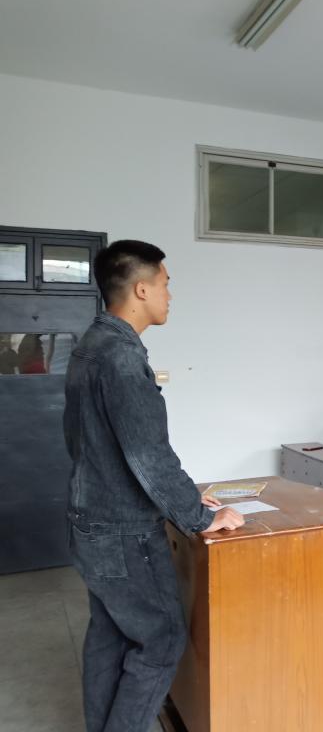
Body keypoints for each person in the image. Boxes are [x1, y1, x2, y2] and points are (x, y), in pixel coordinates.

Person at [64, 240, 244, 732]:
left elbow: (92, 442)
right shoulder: (121, 357)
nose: (169, 295)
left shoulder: (90, 346)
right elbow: (147, 453)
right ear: (141, 289)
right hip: (123, 532)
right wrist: (199, 515)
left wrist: (182, 494)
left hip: (91, 520)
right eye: (165, 284)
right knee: (162, 640)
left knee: (111, 636)